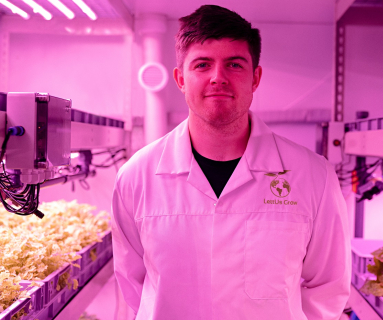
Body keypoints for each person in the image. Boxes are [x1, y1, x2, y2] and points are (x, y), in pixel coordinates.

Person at [111, 5, 351, 320]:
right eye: (202, 65)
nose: (218, 78)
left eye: (234, 64)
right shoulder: (136, 176)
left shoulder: (312, 176)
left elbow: (328, 287)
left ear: (255, 78)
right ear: (181, 78)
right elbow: (133, 285)